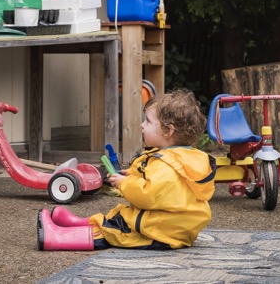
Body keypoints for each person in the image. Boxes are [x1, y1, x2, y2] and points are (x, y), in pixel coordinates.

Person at [37, 88, 216, 251]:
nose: (142, 125)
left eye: (148, 121)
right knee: (117, 218)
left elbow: (147, 195)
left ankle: (57, 238)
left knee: (113, 231)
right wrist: (131, 175)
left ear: (168, 131)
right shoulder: (181, 158)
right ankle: (76, 223)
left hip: (158, 233)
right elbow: (163, 187)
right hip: (168, 226)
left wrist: (124, 183)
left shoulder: (167, 165)